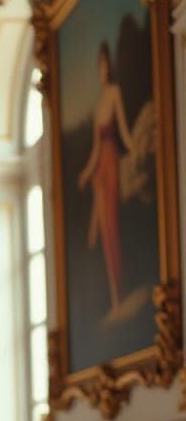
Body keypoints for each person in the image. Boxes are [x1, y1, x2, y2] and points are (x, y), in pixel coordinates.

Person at [77, 40, 132, 316]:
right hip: (100, 168)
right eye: (101, 66)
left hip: (112, 162)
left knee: (113, 226)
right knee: (105, 232)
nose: (104, 70)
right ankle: (114, 297)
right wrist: (86, 174)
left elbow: (122, 129)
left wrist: (135, 150)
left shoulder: (114, 93)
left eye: (106, 65)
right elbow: (95, 148)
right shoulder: (99, 103)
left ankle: (120, 291)